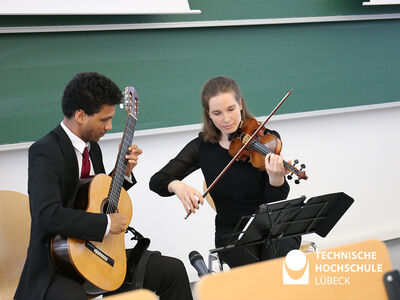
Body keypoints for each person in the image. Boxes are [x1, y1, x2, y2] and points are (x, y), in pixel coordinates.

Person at [14, 72, 193, 300]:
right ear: (80, 115)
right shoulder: (45, 151)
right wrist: (106, 223)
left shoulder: (93, 148)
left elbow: (95, 199)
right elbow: (47, 215)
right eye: (103, 119)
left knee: (172, 270)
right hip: (56, 264)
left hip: (97, 253)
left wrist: (123, 174)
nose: (109, 126)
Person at [149, 76, 301, 268]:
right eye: (217, 113)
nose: (227, 119)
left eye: (231, 109)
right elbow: (157, 181)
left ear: (240, 105)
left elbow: (275, 200)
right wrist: (176, 185)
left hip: (274, 225)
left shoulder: (266, 139)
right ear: (209, 115)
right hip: (232, 233)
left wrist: (276, 177)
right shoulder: (202, 147)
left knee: (280, 263)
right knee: (255, 273)